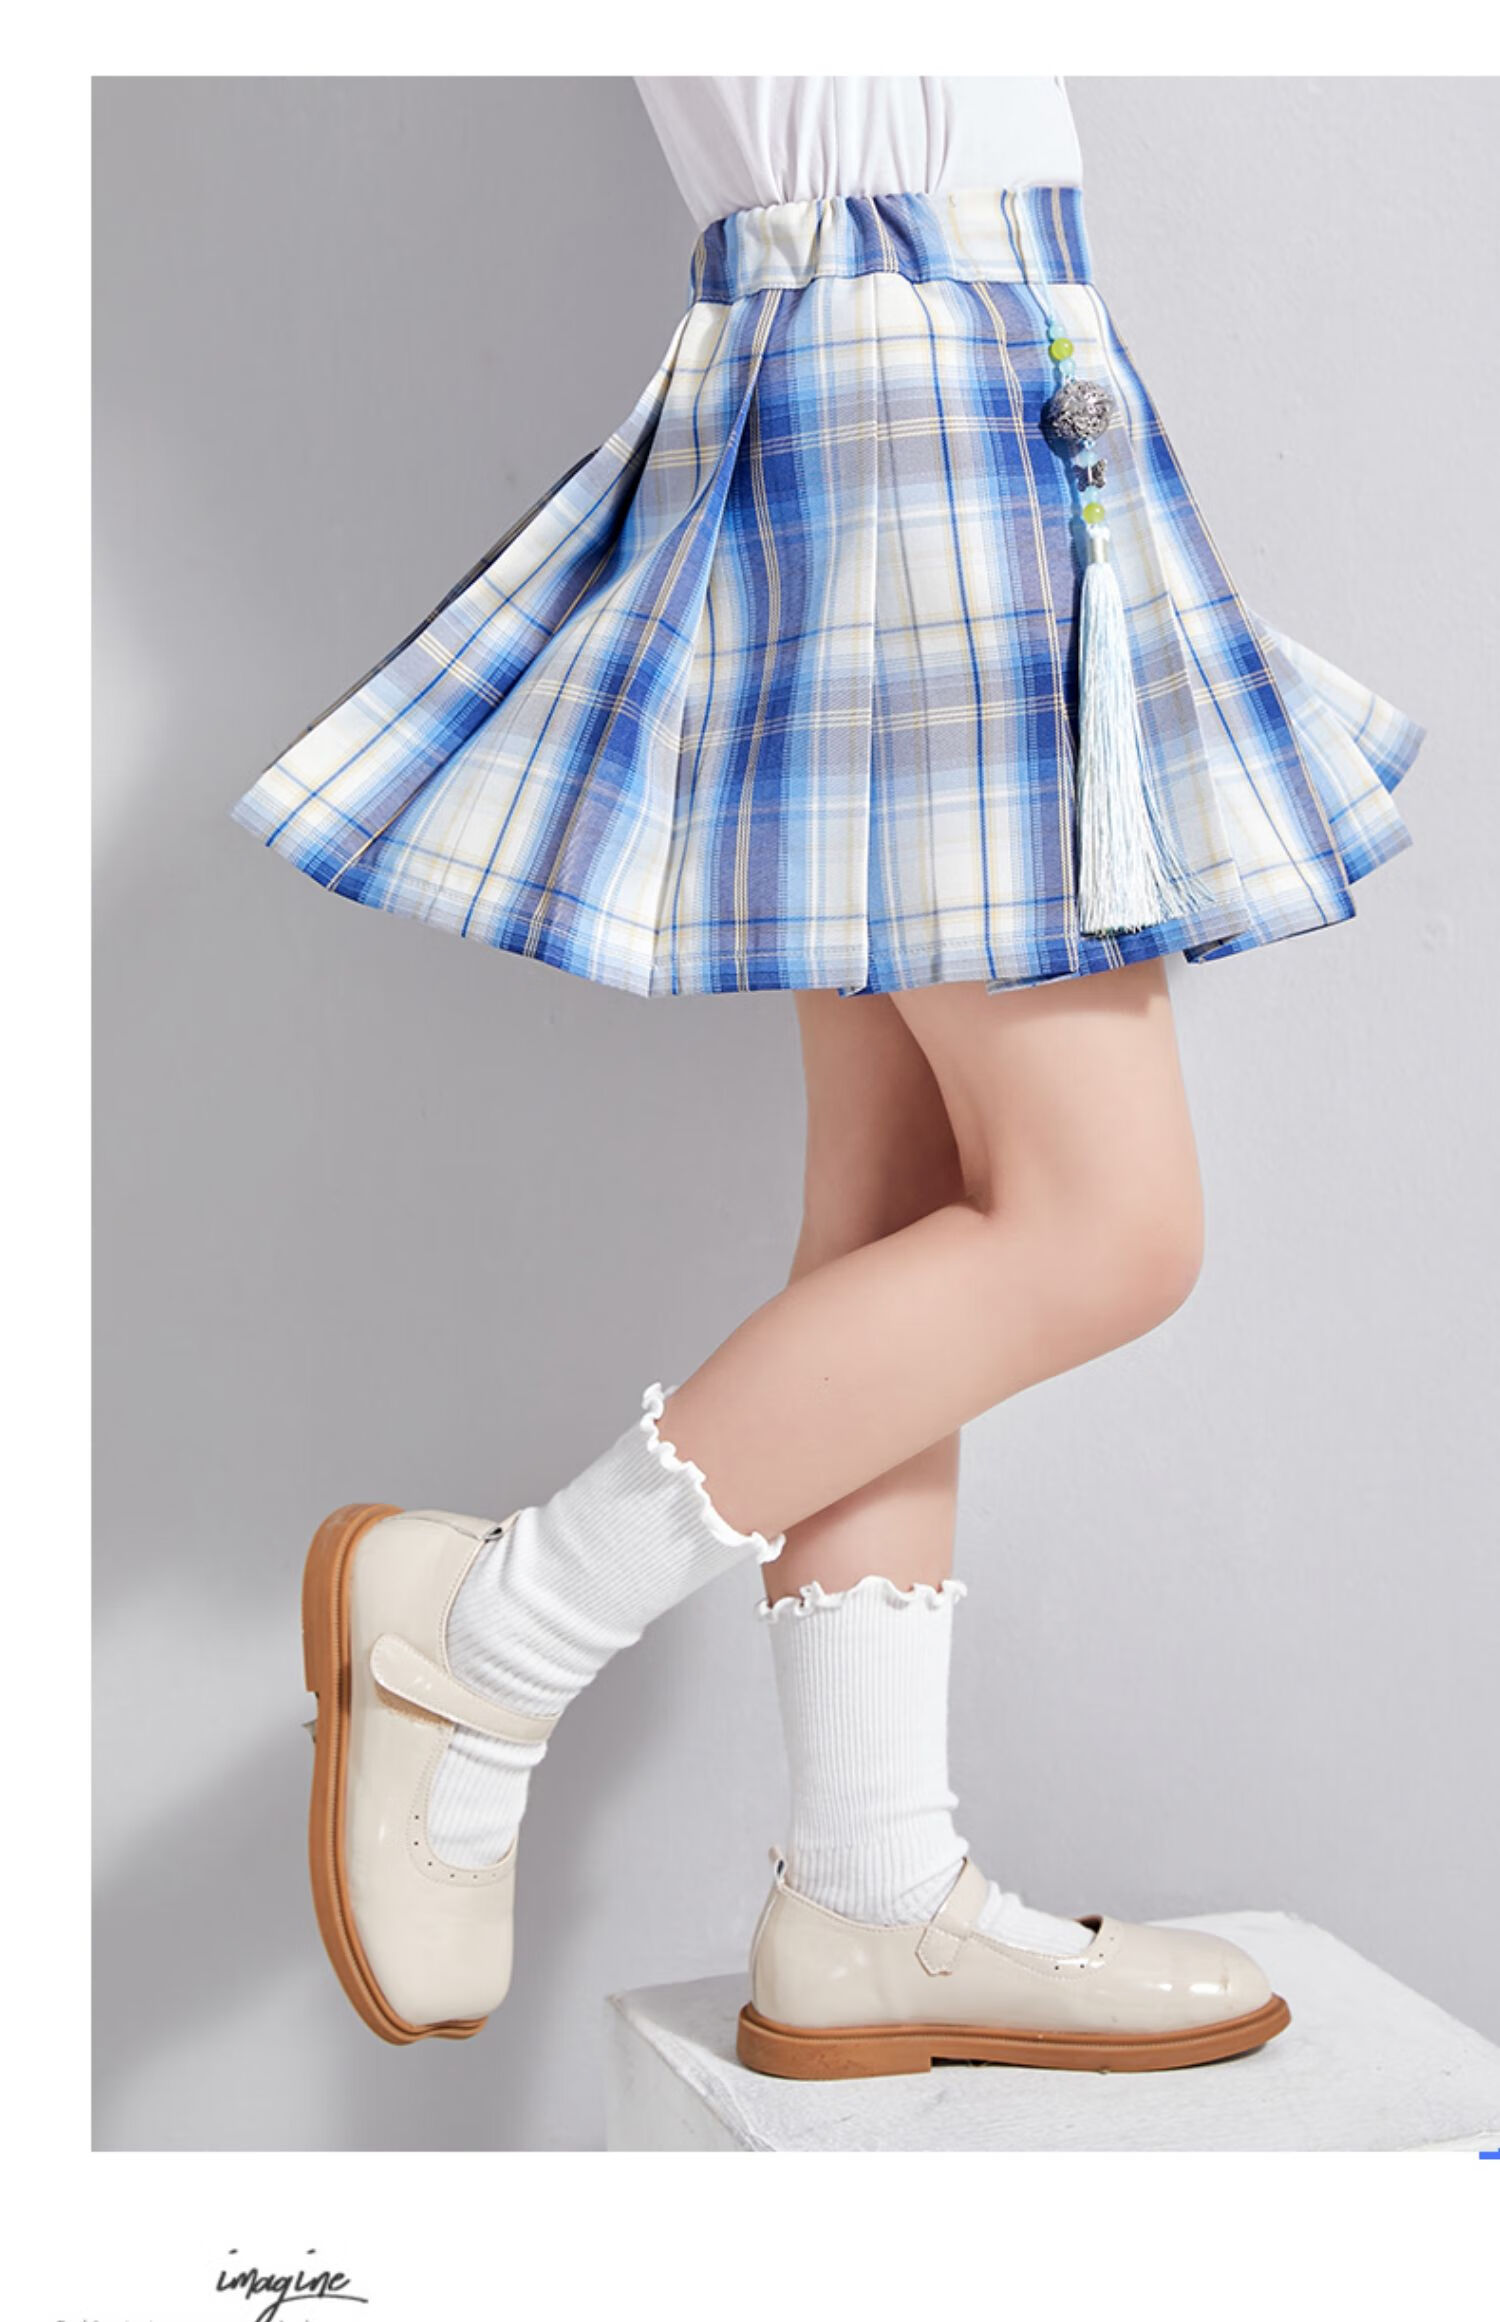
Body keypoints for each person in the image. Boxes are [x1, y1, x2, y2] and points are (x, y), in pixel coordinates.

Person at [241, 77, 1421, 2075]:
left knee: (906, 1224)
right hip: (930, 363)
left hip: (910, 356)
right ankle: (491, 1635)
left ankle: (870, 1888)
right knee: (1106, 1229)